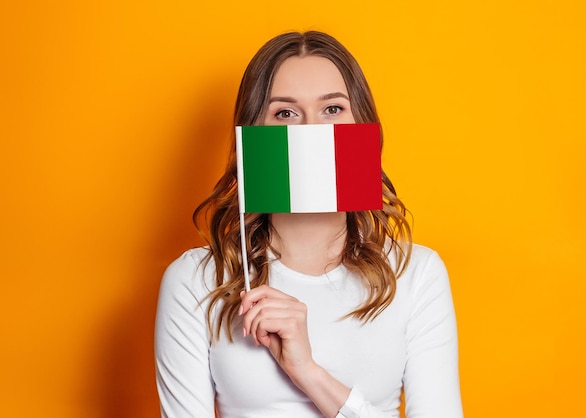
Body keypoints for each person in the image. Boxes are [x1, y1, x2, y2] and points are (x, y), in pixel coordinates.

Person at [155, 31, 463, 418]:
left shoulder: (415, 274)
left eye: (332, 109)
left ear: (363, 124)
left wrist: (308, 373)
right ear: (251, 134)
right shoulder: (195, 281)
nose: (310, 131)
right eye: (285, 113)